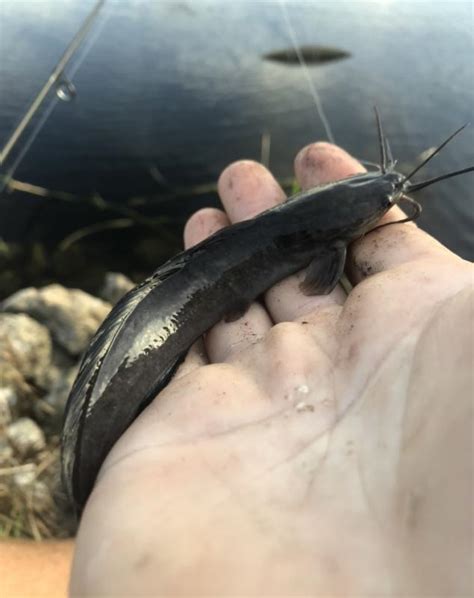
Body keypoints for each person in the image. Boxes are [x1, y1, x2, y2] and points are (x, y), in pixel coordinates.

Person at [70, 142, 473, 595]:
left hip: (205, 276)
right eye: (380, 198)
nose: (390, 195)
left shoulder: (323, 231)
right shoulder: (331, 245)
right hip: (187, 289)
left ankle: (78, 497)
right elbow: (320, 279)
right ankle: (80, 488)